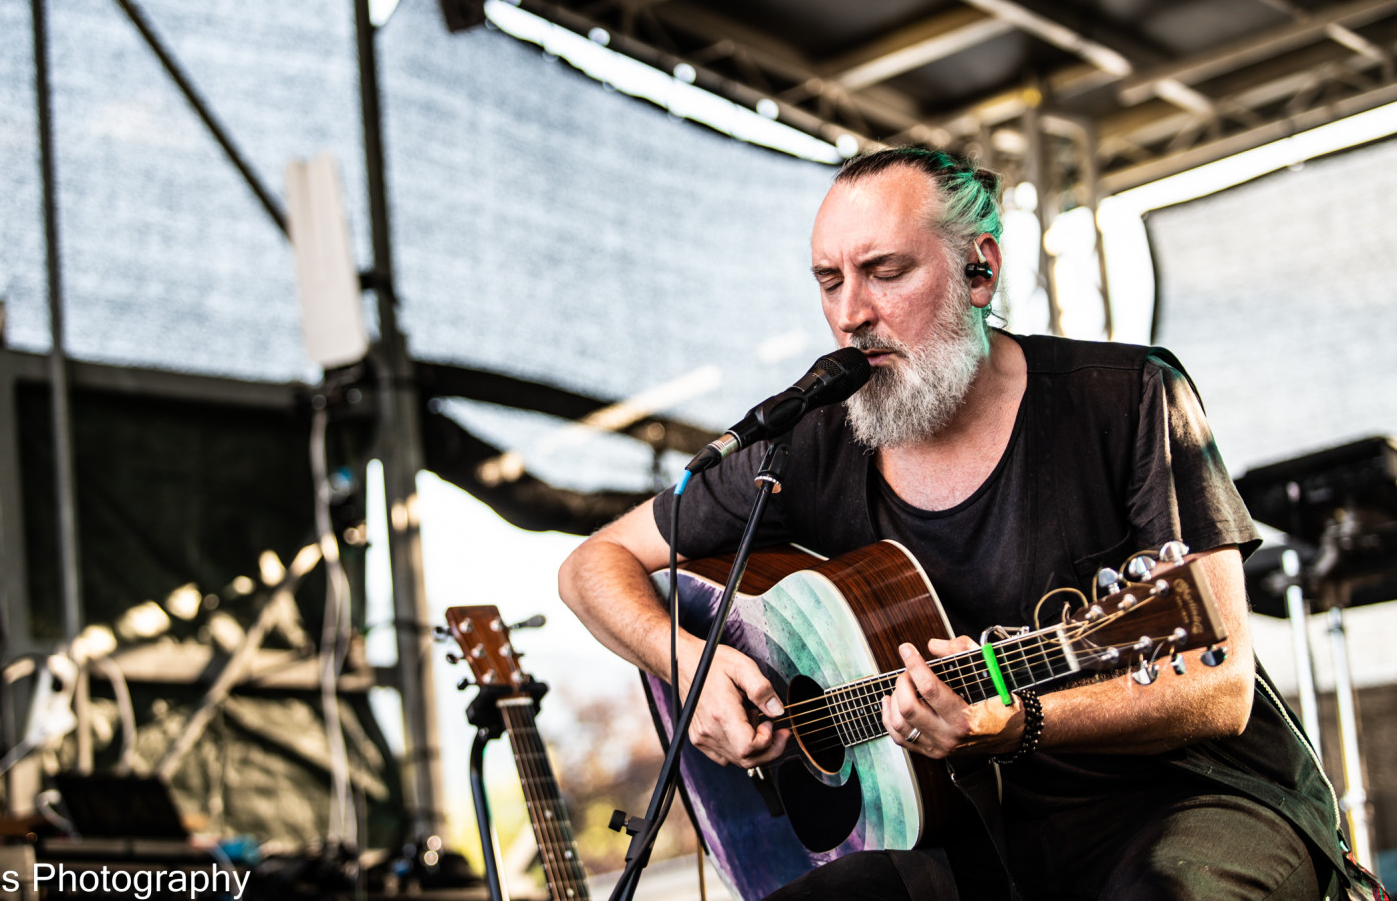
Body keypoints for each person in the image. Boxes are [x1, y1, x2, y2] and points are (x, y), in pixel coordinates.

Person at [558, 147, 1350, 900]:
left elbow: (1217, 684)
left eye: (884, 272)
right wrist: (689, 669)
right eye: (828, 281)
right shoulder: (802, 444)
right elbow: (591, 566)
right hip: (973, 826)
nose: (851, 314)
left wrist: (1019, 721)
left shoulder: (1130, 398)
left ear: (980, 269)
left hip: (1195, 800)